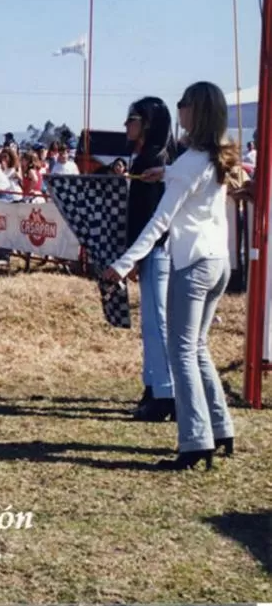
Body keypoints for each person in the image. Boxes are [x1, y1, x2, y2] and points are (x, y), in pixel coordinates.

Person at [103, 81, 240, 471]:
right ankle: (220, 426)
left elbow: (158, 222)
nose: (177, 110)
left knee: (181, 351)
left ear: (194, 112)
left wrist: (123, 263)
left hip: (192, 265)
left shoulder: (190, 163)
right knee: (197, 347)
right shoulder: (211, 158)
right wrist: (164, 173)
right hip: (218, 264)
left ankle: (195, 440)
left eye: (183, 104)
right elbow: (186, 180)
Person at [123, 97, 176, 422]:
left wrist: (137, 254)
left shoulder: (154, 160)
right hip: (151, 250)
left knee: (157, 324)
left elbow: (153, 215)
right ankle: (154, 384)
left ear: (148, 123)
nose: (126, 125)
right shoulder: (145, 158)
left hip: (157, 250)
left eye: (132, 118)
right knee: (152, 324)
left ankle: (165, 393)